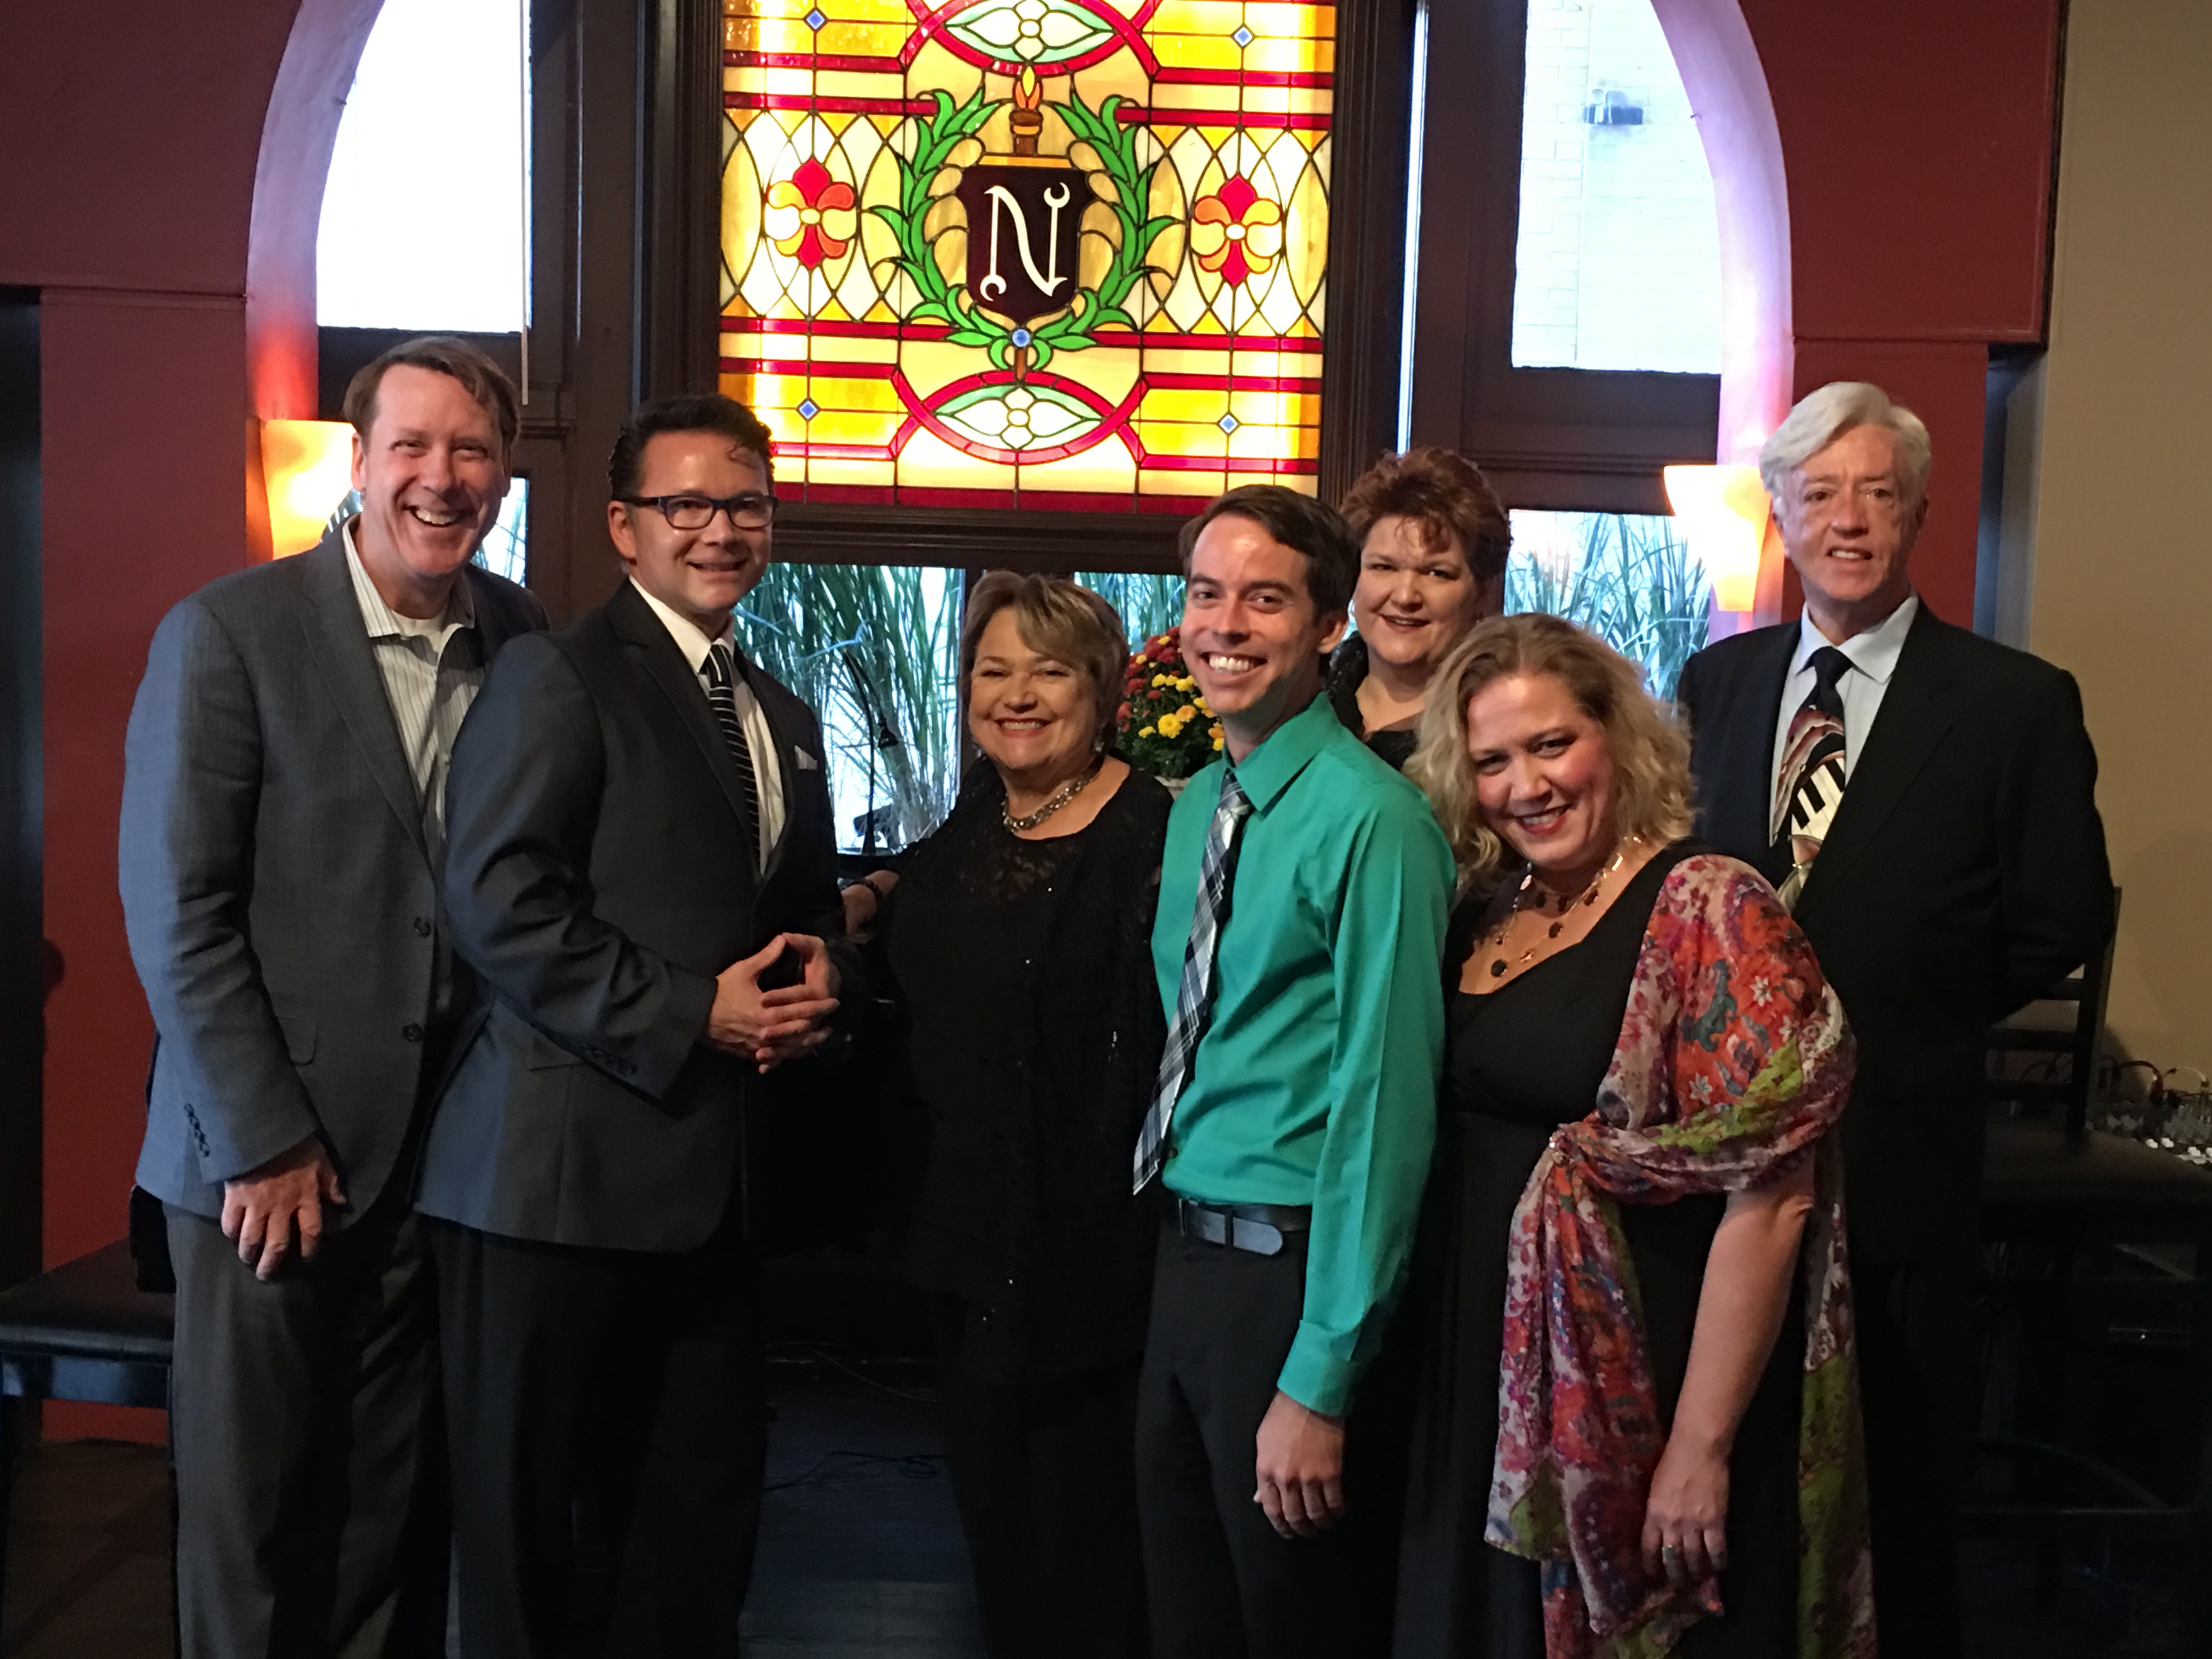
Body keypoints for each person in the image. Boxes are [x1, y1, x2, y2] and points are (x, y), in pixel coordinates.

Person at [120, 337, 545, 1657]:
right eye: (411, 446)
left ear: (503, 475)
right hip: (265, 1167)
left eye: (471, 450)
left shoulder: (522, 638)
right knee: (251, 1530)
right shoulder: (228, 633)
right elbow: (178, 912)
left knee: (386, 1522)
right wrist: (264, 1141)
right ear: (359, 462)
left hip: (440, 1163)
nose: (441, 476)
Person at [1674, 381, 2114, 1658]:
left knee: (1898, 1483)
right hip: (1725, 1159)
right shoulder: (1719, 680)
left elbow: (2060, 914)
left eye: (1877, 493)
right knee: (1733, 1469)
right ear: (1784, 515)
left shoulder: (2015, 701)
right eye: (1820, 494)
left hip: (1899, 1146)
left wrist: (1915, 1011)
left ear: (1920, 511)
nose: (1849, 520)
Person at [417, 392, 856, 1657]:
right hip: (553, 1188)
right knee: (536, 1547)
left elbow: (795, 907)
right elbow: (496, 901)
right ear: (625, 526)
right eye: (688, 505)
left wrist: (821, 973)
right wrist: (692, 1009)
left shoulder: (780, 712)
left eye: (746, 505)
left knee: (693, 1535)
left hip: (716, 1192)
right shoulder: (558, 674)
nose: (722, 530)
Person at [1397, 613, 1874, 1659]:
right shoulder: (1486, 906)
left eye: (1551, 744)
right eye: (1492, 760)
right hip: (1478, 1367)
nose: (1526, 784)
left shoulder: (1709, 904)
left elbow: (1773, 1195)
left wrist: (1699, 1446)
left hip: (1642, 1378)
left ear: (1617, 736)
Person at [1131, 483, 1454, 1659]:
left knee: (1295, 1626)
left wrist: (1321, 1374)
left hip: (1294, 1275)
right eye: (1205, 595)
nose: (1224, 625)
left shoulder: (1379, 823)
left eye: (1264, 600)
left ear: (1329, 626)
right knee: (1190, 1621)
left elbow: (1384, 1112)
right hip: (1185, 1258)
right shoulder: (1200, 808)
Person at [841, 571, 1171, 1658]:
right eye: (994, 670)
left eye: (1049, 671)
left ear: (1104, 691)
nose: (1016, 695)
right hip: (960, 1225)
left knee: (1084, 1540)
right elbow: (935, 880)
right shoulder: (990, 804)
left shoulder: (1146, 832)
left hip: (1080, 1248)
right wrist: (870, 894)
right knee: (995, 1527)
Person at [1329, 447, 1511, 770]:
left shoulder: (1500, 725)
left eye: (1436, 573)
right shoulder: (1303, 698)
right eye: (1384, 567)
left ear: (1481, 591)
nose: (1405, 596)